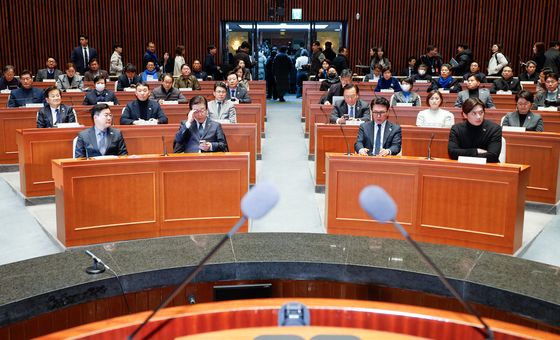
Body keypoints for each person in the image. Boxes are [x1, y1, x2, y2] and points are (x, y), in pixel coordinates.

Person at [448, 97, 502, 163]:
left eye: (481, 112)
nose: (478, 117)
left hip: (488, 168)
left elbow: (493, 156)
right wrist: (476, 151)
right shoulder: (456, 129)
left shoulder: (494, 129)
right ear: (465, 115)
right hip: (464, 168)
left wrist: (463, 154)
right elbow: (452, 152)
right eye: (474, 113)